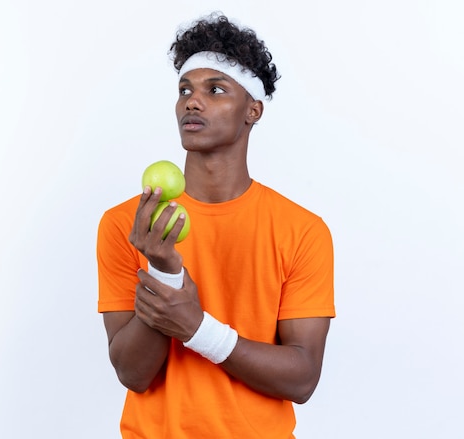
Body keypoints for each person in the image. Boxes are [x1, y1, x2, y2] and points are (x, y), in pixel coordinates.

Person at [97, 13, 335, 438]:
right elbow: (134, 375)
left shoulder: (302, 231)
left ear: (253, 110)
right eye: (185, 90)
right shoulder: (126, 225)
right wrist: (163, 270)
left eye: (216, 89)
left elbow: (301, 378)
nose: (192, 101)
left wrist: (197, 329)